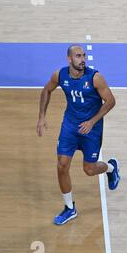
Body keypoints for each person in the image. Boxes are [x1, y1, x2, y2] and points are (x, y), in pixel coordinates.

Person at [36, 45, 120, 225]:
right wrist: (42, 116)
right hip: (70, 126)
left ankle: (111, 169)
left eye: (84, 56)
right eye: (78, 56)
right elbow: (46, 90)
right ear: (69, 59)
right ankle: (69, 208)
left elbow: (111, 101)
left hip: (92, 128)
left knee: (89, 170)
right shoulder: (60, 75)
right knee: (61, 165)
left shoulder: (95, 78)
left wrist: (92, 121)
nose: (82, 59)